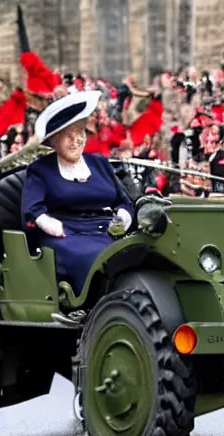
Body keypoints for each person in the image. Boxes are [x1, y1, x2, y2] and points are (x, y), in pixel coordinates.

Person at [21, 90, 135, 295]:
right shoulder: (40, 169)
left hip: (106, 231)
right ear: (54, 141)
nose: (77, 141)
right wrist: (47, 222)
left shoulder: (100, 163)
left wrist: (123, 217)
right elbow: (31, 209)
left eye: (80, 134)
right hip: (65, 235)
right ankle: (91, 307)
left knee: (136, 254)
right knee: (93, 258)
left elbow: (124, 201)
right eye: (68, 136)